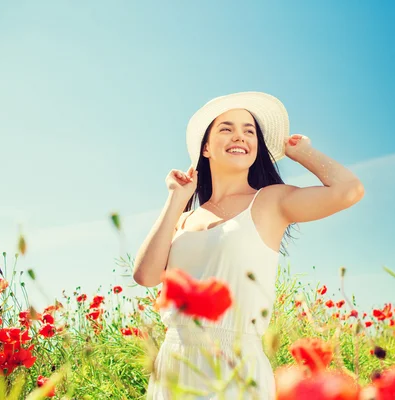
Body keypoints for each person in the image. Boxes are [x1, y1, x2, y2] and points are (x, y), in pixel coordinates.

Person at [133, 91, 364, 399]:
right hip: (174, 360)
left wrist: (304, 153)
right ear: (205, 147)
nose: (239, 137)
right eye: (226, 129)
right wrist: (176, 199)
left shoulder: (270, 200)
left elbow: (349, 191)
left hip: (236, 365)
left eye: (249, 131)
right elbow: (146, 276)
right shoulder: (185, 218)